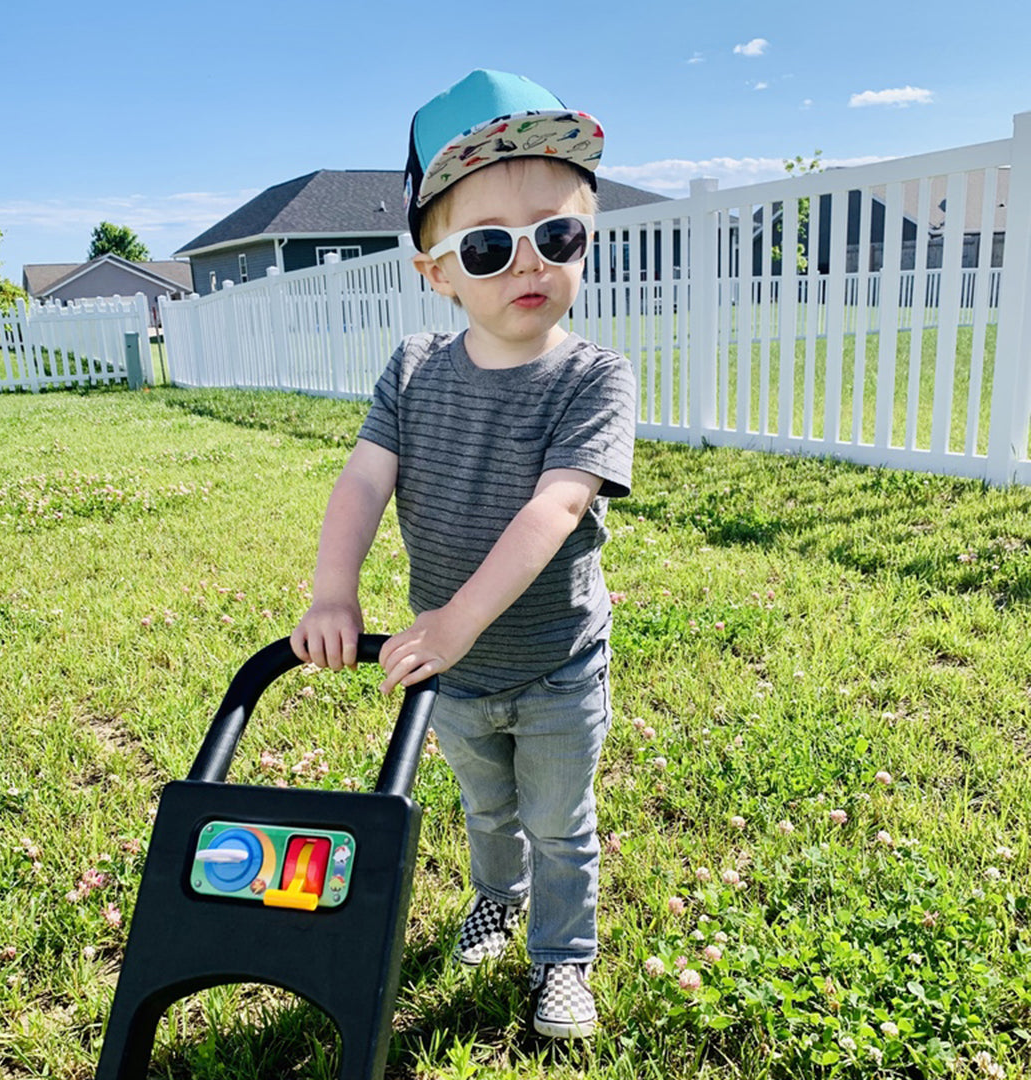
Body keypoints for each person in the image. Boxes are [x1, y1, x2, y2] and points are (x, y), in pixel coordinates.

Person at [291, 69, 635, 1039]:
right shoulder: (411, 371)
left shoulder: (595, 378)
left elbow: (555, 507)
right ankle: (496, 895)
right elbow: (363, 482)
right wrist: (333, 591)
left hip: (557, 661)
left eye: (557, 236)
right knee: (488, 812)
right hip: (454, 675)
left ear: (586, 241)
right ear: (437, 272)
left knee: (559, 822)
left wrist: (455, 621)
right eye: (488, 246)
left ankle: (562, 957)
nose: (529, 262)